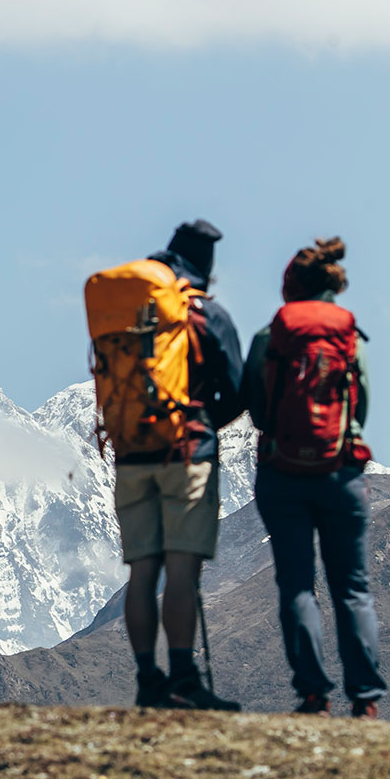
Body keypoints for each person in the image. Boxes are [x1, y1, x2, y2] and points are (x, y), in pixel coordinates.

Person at [90, 220, 246, 711]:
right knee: (182, 572)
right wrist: (201, 419)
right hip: (186, 453)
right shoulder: (203, 314)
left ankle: (146, 679)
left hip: (131, 452)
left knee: (141, 571)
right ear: (206, 268)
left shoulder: (128, 312)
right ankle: (183, 676)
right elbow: (237, 389)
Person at [240, 238, 385, 718]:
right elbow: (360, 404)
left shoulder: (270, 336)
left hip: (283, 475)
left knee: (297, 585)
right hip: (340, 474)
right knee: (353, 588)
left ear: (291, 286)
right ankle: (364, 700)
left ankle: (313, 695)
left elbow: (256, 409)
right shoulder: (349, 336)